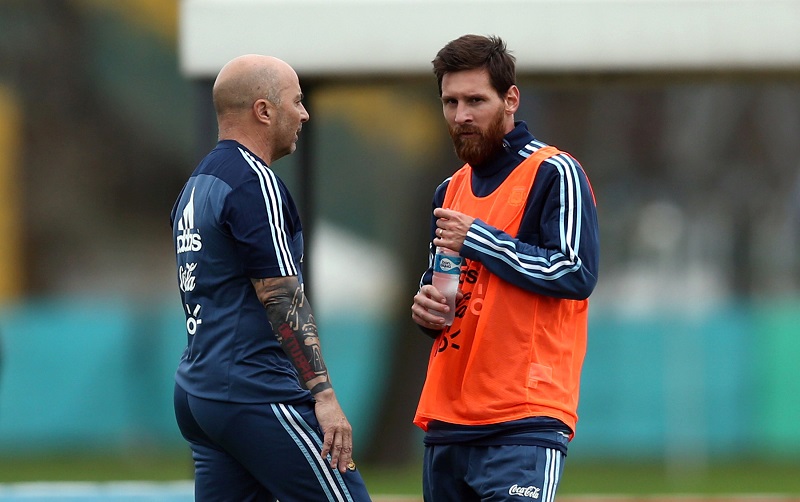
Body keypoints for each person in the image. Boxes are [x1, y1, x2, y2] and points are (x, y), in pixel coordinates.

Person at [170, 54, 371, 502]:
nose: (304, 113)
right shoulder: (253, 182)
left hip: (199, 392)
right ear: (264, 110)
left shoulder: (195, 185)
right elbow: (282, 297)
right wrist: (324, 397)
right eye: (296, 101)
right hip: (252, 390)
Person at [410, 35, 600, 502]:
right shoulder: (448, 189)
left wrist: (478, 238)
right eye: (450, 102)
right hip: (448, 420)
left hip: (524, 418)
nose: (461, 116)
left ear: (510, 98)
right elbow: (455, 286)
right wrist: (426, 306)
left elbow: (574, 272)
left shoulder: (554, 172)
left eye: (476, 100)